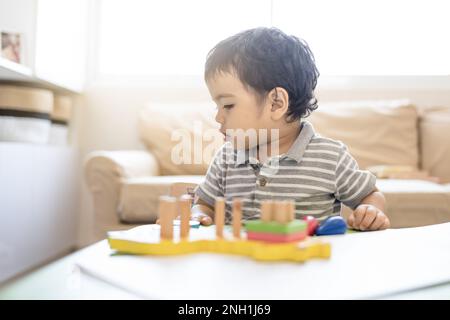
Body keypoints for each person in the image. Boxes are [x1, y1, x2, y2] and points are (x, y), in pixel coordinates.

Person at [191, 27, 389, 231]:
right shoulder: (227, 157)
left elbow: (369, 195)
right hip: (241, 260)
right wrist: (198, 215)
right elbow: (205, 204)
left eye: (228, 105)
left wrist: (370, 211)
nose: (218, 116)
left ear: (276, 104)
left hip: (304, 261)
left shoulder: (330, 157)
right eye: (217, 106)